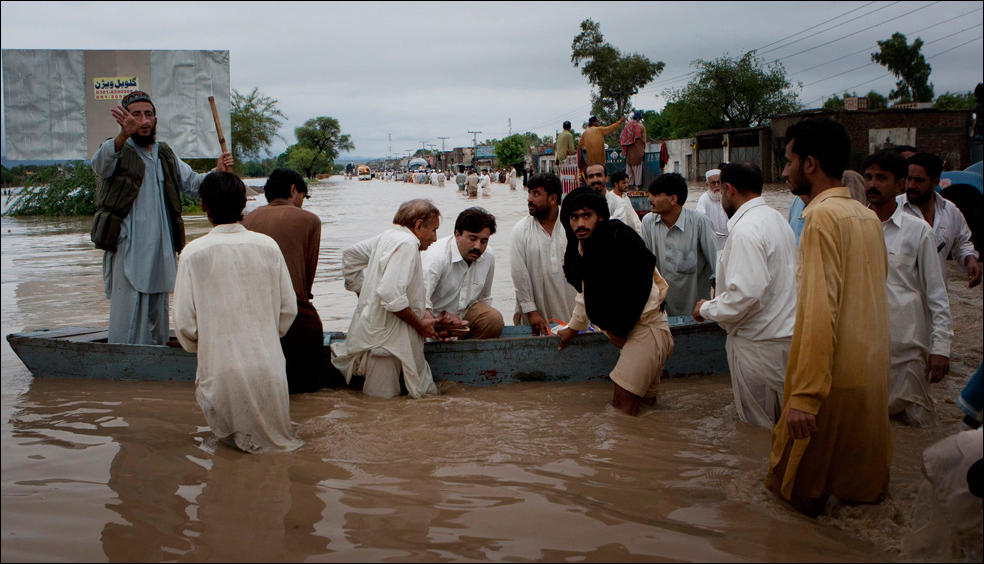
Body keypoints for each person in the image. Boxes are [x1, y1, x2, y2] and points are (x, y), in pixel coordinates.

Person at [765, 117, 892, 518]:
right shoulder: (867, 217)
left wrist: (804, 396)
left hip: (828, 386)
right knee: (857, 500)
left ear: (810, 164)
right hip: (870, 381)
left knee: (793, 502)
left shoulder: (819, 218)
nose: (784, 172)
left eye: (788, 161)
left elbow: (820, 310)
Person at [90, 90, 233, 345]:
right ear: (124, 119)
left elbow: (193, 184)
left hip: (161, 250)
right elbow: (100, 166)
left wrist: (217, 171)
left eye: (148, 115)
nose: (143, 121)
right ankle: (125, 363)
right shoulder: (116, 149)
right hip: (129, 249)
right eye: (136, 115)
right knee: (128, 316)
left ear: (155, 119)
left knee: (158, 314)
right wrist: (123, 135)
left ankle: (154, 359)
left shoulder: (164, 153)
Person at [173, 171, 301, 453]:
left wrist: (208, 348)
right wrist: (264, 336)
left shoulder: (193, 253)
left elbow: (184, 325)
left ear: (204, 206)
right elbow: (287, 310)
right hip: (269, 369)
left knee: (232, 463)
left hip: (221, 371)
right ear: (244, 204)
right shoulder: (268, 246)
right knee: (276, 455)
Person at [692, 162, 797, 428]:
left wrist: (706, 308)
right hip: (787, 340)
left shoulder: (745, 230)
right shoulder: (777, 220)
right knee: (785, 427)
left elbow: (744, 296)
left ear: (729, 190)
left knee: (758, 430)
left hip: (757, 345)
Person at [556, 188, 673, 416]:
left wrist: (618, 329)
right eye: (574, 217)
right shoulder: (584, 248)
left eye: (586, 216)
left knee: (621, 412)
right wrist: (572, 329)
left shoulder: (618, 236)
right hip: (639, 334)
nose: (580, 223)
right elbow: (586, 295)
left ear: (600, 216)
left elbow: (639, 284)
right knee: (646, 411)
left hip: (646, 330)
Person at [863, 150, 953, 427]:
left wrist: (941, 348)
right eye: (868, 177)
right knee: (869, 425)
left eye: (882, 178)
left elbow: (937, 294)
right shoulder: (854, 228)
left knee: (916, 428)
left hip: (909, 351)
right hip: (864, 351)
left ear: (899, 185)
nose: (872, 184)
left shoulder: (918, 232)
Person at [331, 199, 443, 399]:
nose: (435, 238)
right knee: (381, 408)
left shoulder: (387, 237)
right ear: (418, 225)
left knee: (390, 409)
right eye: (433, 230)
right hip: (387, 346)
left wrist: (365, 297)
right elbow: (391, 295)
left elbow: (350, 257)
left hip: (379, 336)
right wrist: (420, 325)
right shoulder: (408, 243)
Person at [241, 168, 325, 394]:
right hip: (294, 310)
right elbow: (308, 278)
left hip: (252, 311)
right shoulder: (310, 220)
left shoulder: (247, 220)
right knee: (306, 387)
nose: (302, 203)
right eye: (303, 197)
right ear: (293, 190)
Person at [898, 152, 981, 288]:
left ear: (935, 182)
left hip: (937, 296)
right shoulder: (895, 209)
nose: (911, 185)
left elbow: (962, 242)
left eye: (919, 180)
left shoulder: (950, 211)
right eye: (909, 179)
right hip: (902, 299)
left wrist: (970, 259)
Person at [640, 172, 718, 317]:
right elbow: (645, 267)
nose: (649, 199)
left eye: (655, 195)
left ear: (673, 199)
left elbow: (716, 268)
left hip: (695, 311)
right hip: (661, 311)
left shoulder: (700, 222)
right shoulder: (648, 222)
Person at [422, 207, 504, 339]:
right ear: (457, 234)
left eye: (484, 241)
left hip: (463, 321)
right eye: (472, 239)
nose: (478, 246)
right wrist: (435, 324)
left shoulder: (488, 256)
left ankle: (466, 356)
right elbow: (420, 303)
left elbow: (484, 299)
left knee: (493, 319)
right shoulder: (437, 257)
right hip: (435, 320)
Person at [510, 173, 577, 335]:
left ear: (553, 199)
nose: (529, 199)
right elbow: (519, 274)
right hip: (538, 318)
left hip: (575, 315)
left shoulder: (573, 226)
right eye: (529, 193)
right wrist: (531, 311)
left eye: (536, 194)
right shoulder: (521, 231)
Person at [695, 169, 729, 250]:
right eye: (713, 183)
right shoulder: (704, 199)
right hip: (712, 243)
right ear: (707, 184)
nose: (716, 185)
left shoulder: (727, 197)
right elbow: (700, 220)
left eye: (718, 182)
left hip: (728, 242)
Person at [619, 110, 647, 189]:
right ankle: (637, 186)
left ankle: (628, 186)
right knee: (637, 170)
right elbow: (644, 140)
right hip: (638, 152)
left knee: (629, 170)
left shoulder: (627, 126)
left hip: (628, 152)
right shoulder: (641, 127)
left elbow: (623, 138)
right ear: (640, 118)